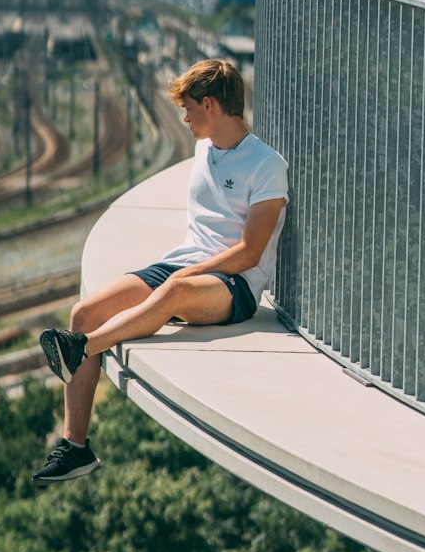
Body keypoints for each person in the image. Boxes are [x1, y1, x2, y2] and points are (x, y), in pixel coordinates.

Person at [34, 57, 288, 485]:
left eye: (188, 108)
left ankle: (83, 348)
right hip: (181, 264)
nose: (183, 118)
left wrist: (184, 276)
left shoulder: (266, 166)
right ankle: (75, 447)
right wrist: (179, 271)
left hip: (234, 286)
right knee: (83, 312)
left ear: (210, 104)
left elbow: (249, 252)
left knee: (168, 296)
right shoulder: (203, 148)